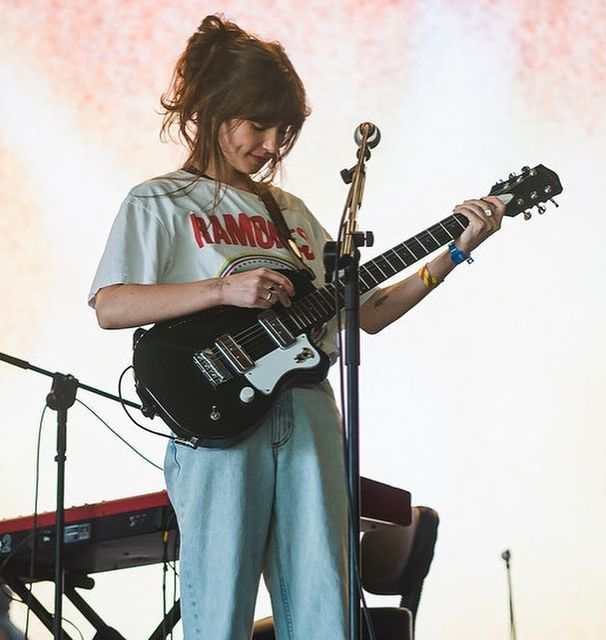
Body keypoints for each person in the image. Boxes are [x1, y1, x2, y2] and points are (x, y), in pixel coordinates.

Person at [89, 14, 504, 639]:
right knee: (219, 609)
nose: (270, 143)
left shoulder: (293, 214)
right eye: (257, 123)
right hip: (219, 424)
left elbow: (366, 313)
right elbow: (111, 305)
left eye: (282, 130)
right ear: (212, 108)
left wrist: (455, 251)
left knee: (323, 609)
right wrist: (222, 289)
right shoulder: (160, 201)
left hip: (308, 413)